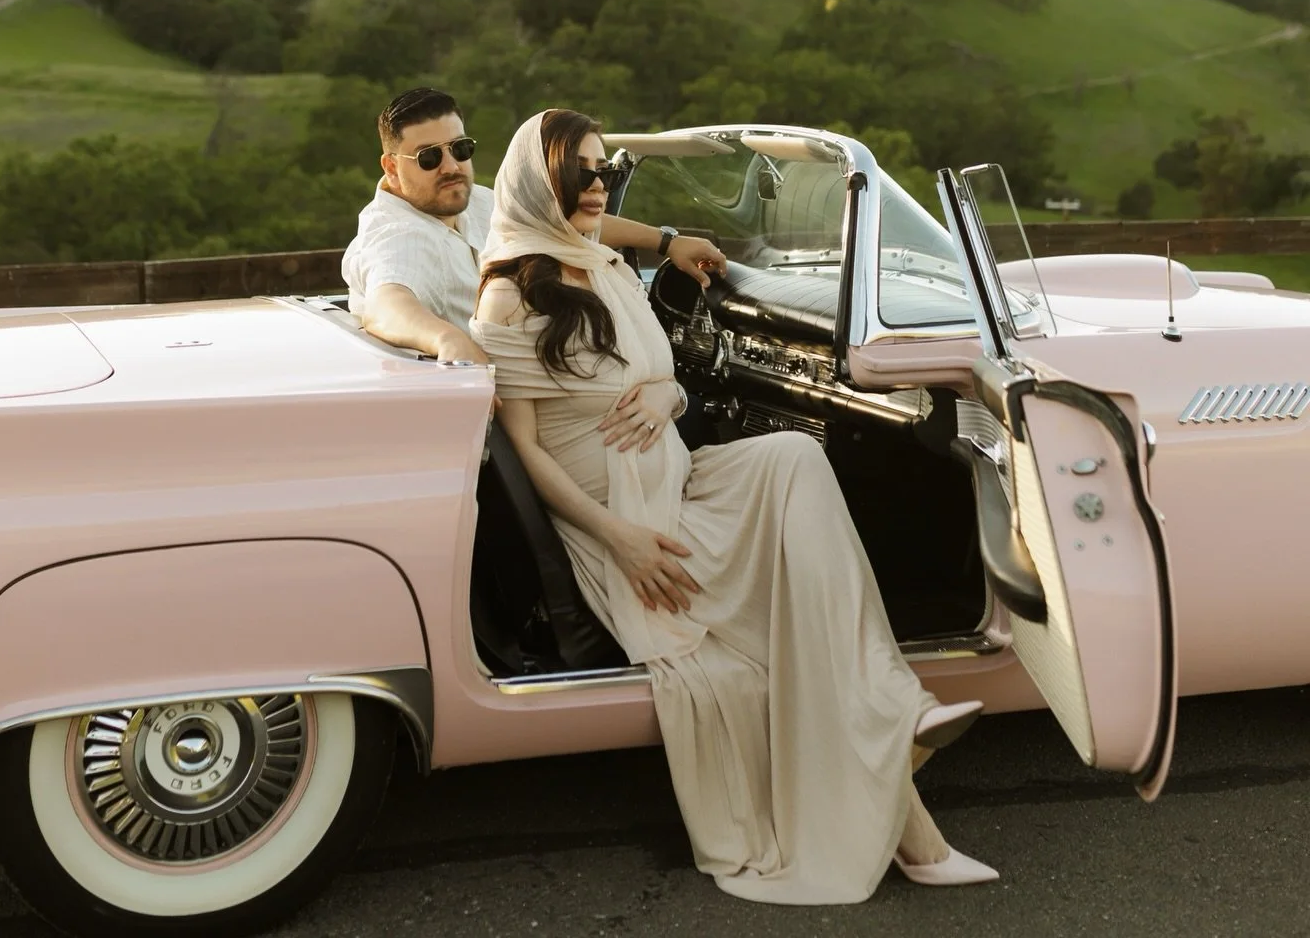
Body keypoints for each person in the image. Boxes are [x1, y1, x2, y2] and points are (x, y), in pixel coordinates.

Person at [471, 107, 997, 904]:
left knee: (795, 457)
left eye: (605, 170)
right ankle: (913, 815)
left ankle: (895, 713)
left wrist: (672, 389)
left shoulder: (602, 261)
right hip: (622, 520)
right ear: (538, 181)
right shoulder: (512, 297)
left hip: (681, 482)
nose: (598, 185)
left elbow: (665, 368)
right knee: (766, 650)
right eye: (580, 172)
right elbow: (528, 451)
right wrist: (623, 542)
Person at [342, 87, 727, 378]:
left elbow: (559, 221)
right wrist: (449, 341)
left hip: (539, 371)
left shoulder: (475, 200)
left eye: (460, 149)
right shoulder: (396, 234)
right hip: (493, 410)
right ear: (391, 167)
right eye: (429, 157)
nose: (451, 166)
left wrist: (667, 242)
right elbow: (385, 306)